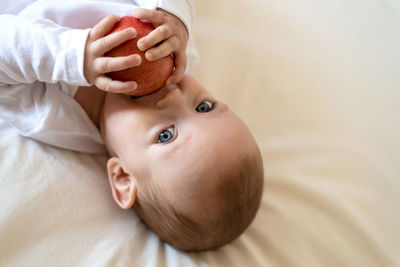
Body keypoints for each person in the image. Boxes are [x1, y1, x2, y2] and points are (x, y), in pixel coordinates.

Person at [0, 0, 264, 251]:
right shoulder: (173, 53)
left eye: (166, 135)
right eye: (204, 107)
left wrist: (71, 57)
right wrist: (172, 16)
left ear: (123, 177)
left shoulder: (52, 116)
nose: (174, 95)